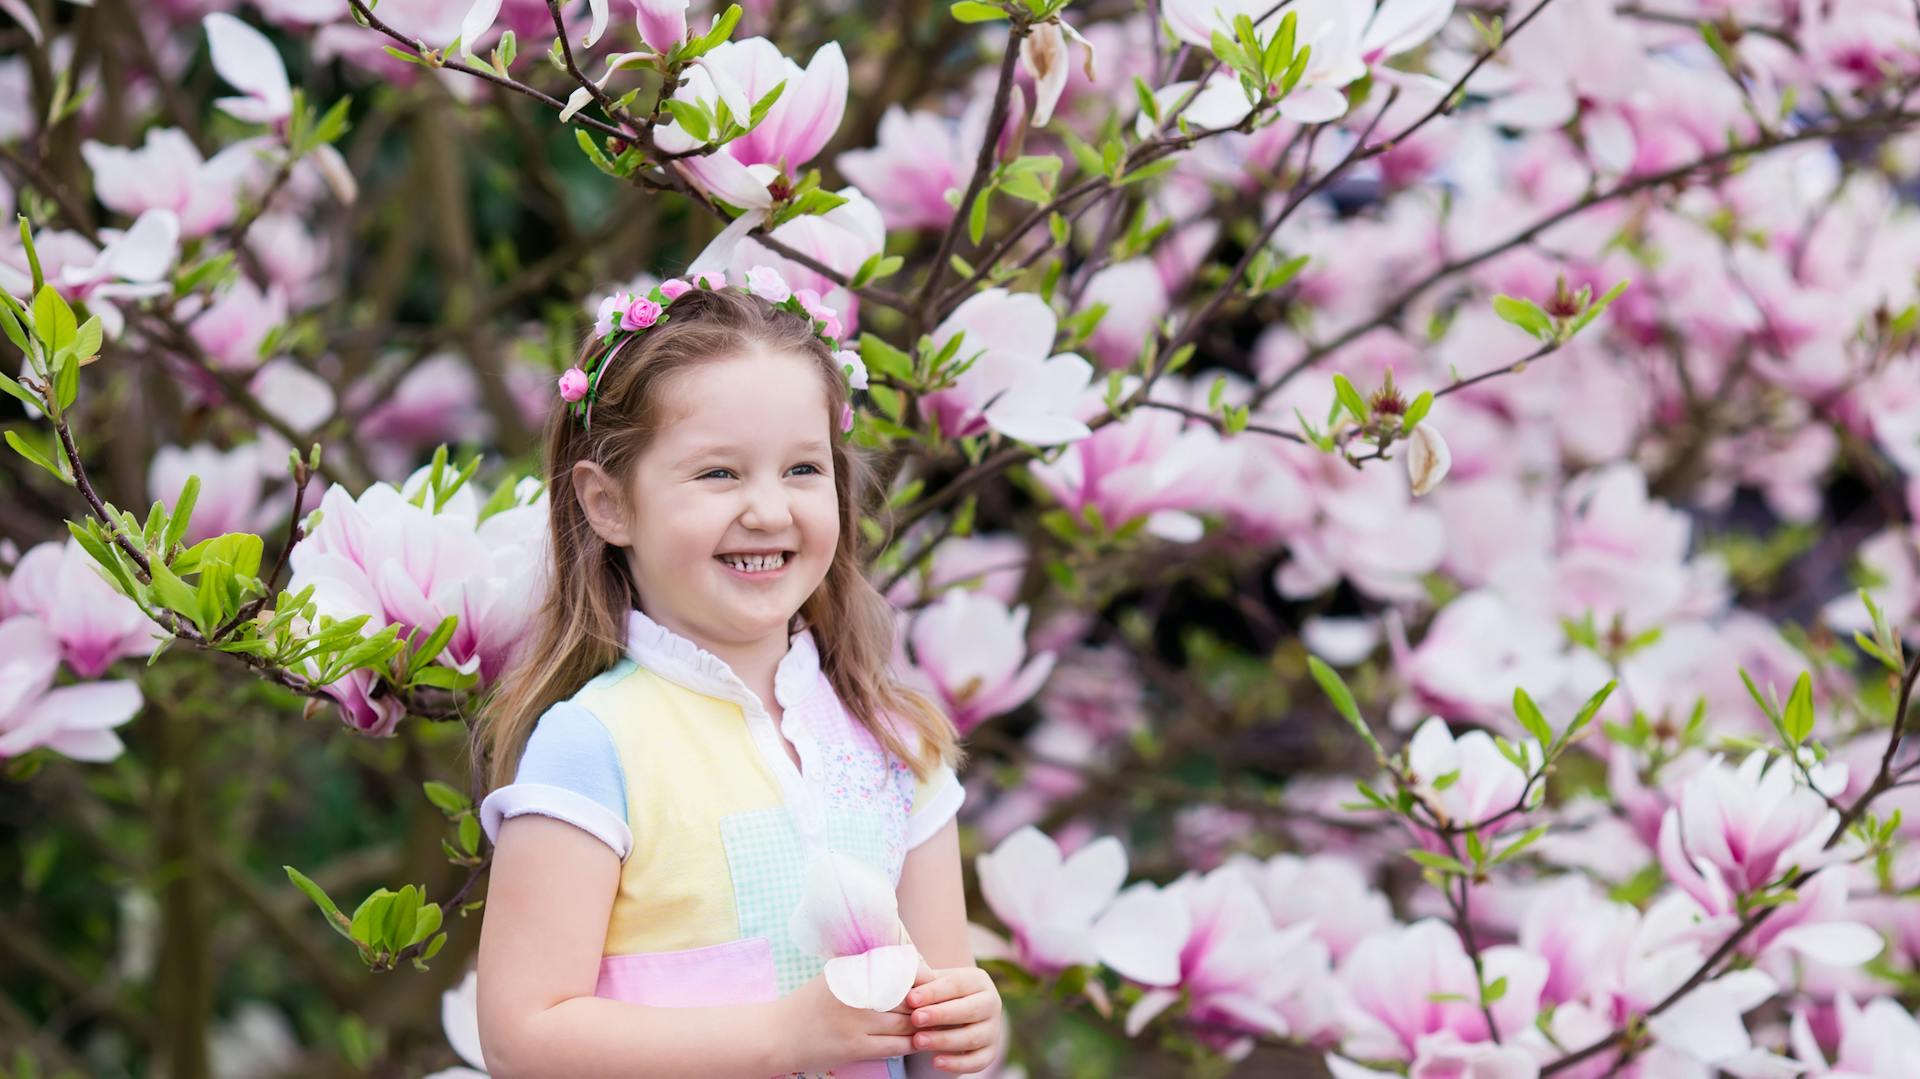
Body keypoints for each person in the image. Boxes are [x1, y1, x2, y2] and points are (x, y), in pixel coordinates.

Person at [471, 271, 1002, 1077]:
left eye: (802, 470)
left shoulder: (895, 740)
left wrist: (967, 1028)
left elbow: (933, 1020)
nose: (768, 509)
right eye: (719, 473)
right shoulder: (595, 745)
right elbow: (523, 1034)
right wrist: (782, 1037)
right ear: (608, 502)